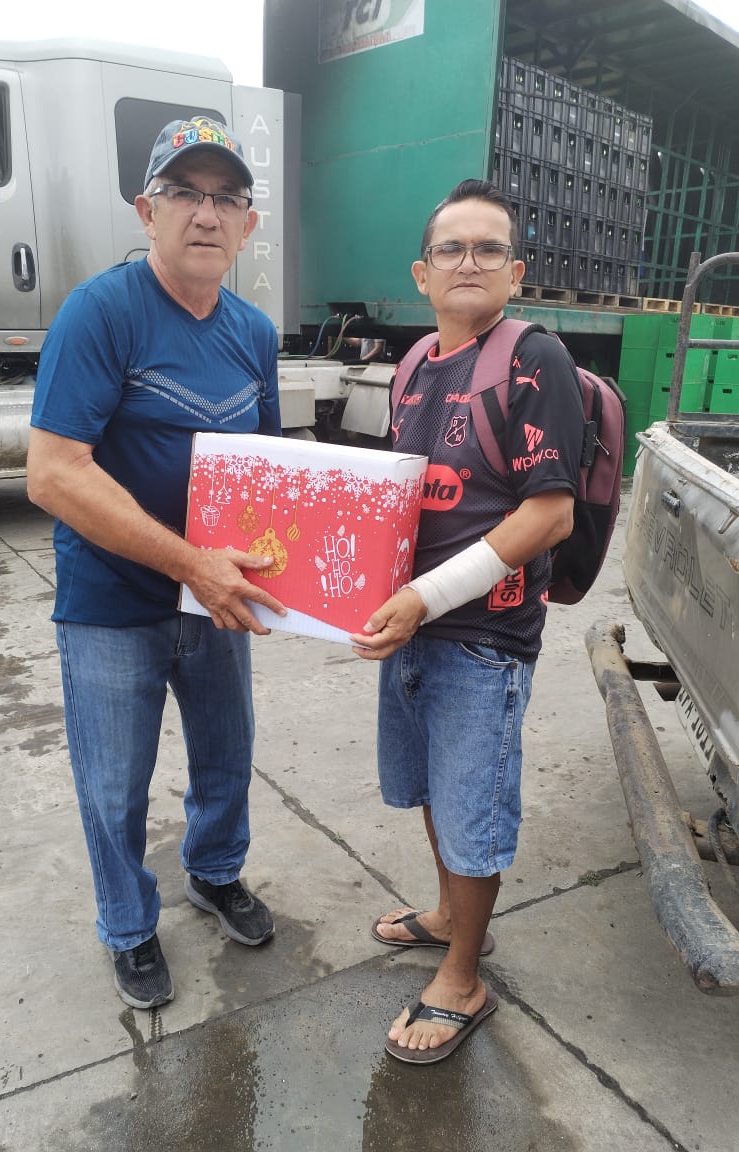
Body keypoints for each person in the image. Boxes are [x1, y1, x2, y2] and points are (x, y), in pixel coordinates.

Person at [26, 116, 287, 1011]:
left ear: (249, 224)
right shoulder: (102, 312)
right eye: (184, 193)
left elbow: (266, 471)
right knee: (114, 784)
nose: (206, 215)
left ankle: (213, 873)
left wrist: (302, 577)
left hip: (216, 599)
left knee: (227, 757)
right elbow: (54, 474)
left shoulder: (253, 332)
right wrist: (192, 563)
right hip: (112, 602)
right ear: (147, 211)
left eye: (226, 199)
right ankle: (129, 925)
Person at [351, 179, 585, 1064]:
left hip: (484, 638)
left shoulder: (534, 360)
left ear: (516, 272)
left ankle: (462, 978)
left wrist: (425, 597)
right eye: (450, 248)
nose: (469, 263)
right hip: (414, 628)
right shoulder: (415, 364)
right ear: (422, 273)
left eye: (490, 249)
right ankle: (453, 915)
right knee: (432, 787)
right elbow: (397, 496)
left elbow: (548, 517)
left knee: (471, 805)